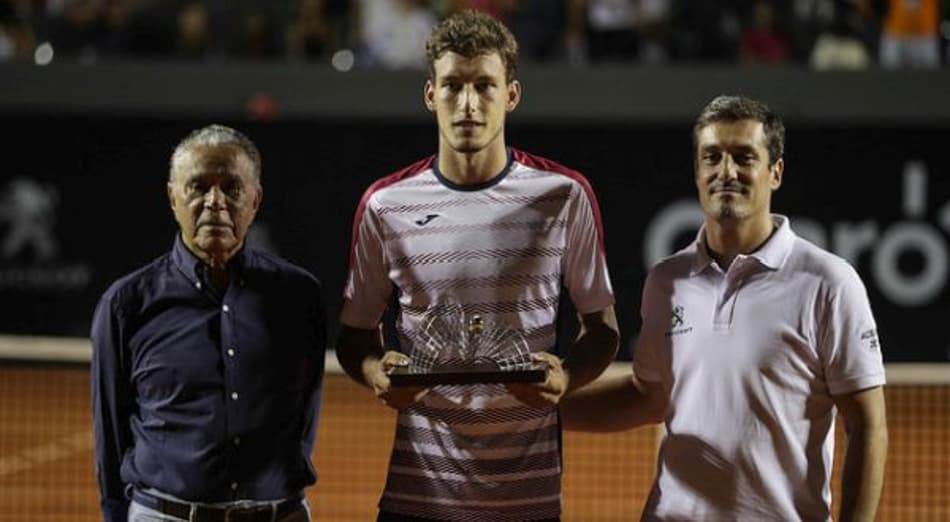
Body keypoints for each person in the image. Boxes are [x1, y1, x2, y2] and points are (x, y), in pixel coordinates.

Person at [336, 10, 619, 521]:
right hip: (416, 500)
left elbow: (602, 330)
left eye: (484, 86)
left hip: (527, 502)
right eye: (453, 86)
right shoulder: (384, 205)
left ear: (511, 95)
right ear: (430, 95)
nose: (468, 104)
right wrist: (376, 369)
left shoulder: (565, 196)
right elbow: (355, 335)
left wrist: (567, 377)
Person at [561, 95, 888, 521]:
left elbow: (867, 426)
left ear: (775, 173)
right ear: (697, 173)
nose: (726, 171)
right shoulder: (666, 281)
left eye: (744, 157)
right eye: (711, 157)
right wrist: (540, 414)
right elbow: (649, 396)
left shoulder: (829, 282)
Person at [91, 124, 326, 522]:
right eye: (198, 187)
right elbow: (110, 437)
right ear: (172, 198)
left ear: (255, 200)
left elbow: (306, 414)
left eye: (232, 188)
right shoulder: (125, 304)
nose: (214, 202)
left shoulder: (299, 296)